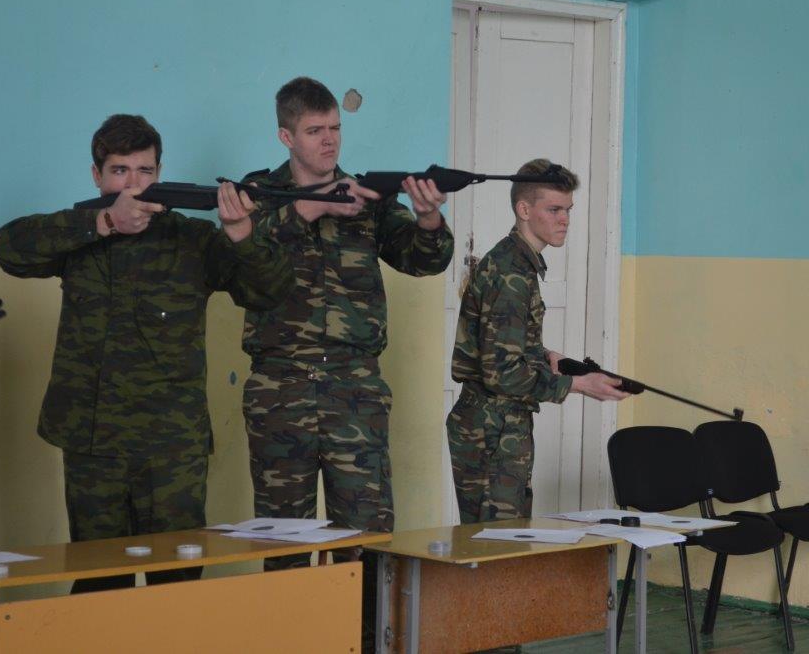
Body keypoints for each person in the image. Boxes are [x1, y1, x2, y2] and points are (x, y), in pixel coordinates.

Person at [0, 114, 293, 592]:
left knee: (175, 582)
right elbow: (9, 248)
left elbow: (268, 291)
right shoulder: (79, 233)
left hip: (172, 447)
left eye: (145, 171)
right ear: (97, 175)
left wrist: (241, 231)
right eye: (119, 171)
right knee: (97, 581)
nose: (133, 185)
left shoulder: (192, 240)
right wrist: (104, 221)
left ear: (160, 172)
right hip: (92, 441)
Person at [240, 77, 453, 646]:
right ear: (286, 136)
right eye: (315, 131)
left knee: (364, 538)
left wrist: (428, 219)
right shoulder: (258, 193)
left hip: (354, 391)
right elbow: (240, 252)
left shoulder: (368, 198)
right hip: (280, 389)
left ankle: (363, 642)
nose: (329, 140)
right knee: (283, 540)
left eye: (335, 128)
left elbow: (423, 259)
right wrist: (311, 207)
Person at [447, 158, 629, 524]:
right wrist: (578, 384)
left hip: (498, 423)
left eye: (568, 210)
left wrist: (542, 355)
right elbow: (502, 373)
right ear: (524, 210)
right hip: (492, 426)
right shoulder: (511, 274)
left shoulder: (516, 263)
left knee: (504, 537)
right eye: (554, 209)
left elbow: (498, 341)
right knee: (496, 543)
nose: (564, 220)